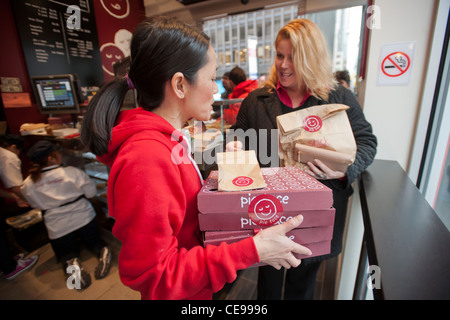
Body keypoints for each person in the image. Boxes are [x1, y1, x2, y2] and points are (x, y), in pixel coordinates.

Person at [80, 16, 312, 300]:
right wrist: (252, 250)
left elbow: (182, 217)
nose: (216, 89)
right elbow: (156, 275)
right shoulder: (146, 159)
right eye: (212, 77)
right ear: (179, 85)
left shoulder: (170, 140)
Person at [227, 19, 377, 299]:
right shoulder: (257, 100)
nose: (283, 65)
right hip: (269, 211)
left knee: (303, 285)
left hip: (317, 210)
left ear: (311, 59)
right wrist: (234, 145)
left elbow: (367, 142)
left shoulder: (338, 98)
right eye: (279, 55)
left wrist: (343, 172)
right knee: (268, 282)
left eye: (292, 58)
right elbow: (239, 137)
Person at [20, 140, 111, 290]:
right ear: (51, 158)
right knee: (93, 241)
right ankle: (103, 250)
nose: (61, 155)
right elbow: (91, 193)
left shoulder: (28, 184)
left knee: (67, 252)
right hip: (83, 216)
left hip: (56, 225)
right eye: (58, 153)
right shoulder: (72, 172)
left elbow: (35, 205)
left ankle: (71, 263)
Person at [0, 134, 38, 280]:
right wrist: (29, 200)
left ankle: (5, 263)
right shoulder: (9, 156)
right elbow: (16, 187)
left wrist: (15, 198)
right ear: (13, 147)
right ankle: (10, 267)